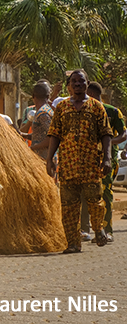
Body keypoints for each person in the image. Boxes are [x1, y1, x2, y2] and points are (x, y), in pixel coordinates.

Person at [46, 69, 113, 254]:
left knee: (95, 201)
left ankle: (98, 229)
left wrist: (107, 158)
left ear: (87, 83)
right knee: (68, 207)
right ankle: (73, 243)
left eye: (81, 81)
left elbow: (106, 134)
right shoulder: (62, 108)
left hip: (91, 164)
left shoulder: (96, 107)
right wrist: (50, 159)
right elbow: (54, 134)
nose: (77, 84)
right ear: (69, 85)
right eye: (74, 81)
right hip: (67, 165)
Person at [78, 82, 127, 243]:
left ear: (91, 94)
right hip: (87, 159)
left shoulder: (112, 112)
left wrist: (109, 143)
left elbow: (124, 133)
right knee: (86, 193)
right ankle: (85, 230)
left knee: (105, 193)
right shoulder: (84, 110)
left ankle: (107, 230)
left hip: (107, 160)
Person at [22, 82, 53, 159]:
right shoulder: (45, 111)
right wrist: (23, 135)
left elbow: (52, 138)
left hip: (45, 158)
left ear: (33, 97)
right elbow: (39, 137)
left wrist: (33, 148)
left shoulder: (43, 113)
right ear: (48, 96)